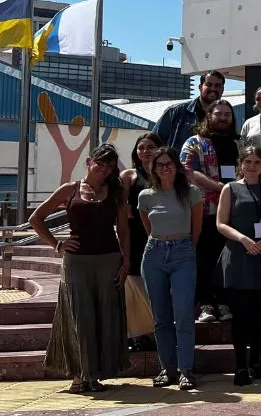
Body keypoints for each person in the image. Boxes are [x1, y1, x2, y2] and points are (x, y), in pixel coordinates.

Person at [30, 145, 130, 393]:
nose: (104, 170)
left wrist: (126, 262)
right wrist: (56, 244)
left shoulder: (116, 192)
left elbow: (124, 231)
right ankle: (79, 374)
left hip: (108, 259)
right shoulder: (70, 190)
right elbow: (36, 218)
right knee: (79, 317)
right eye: (100, 164)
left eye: (109, 166)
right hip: (76, 262)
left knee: (105, 316)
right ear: (88, 162)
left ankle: (95, 376)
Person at [215, 146, 261, 385]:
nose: (252, 166)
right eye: (248, 161)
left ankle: (255, 360)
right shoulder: (230, 188)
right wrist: (244, 239)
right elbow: (221, 223)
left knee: (260, 313)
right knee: (241, 314)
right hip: (239, 254)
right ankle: (240, 365)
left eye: (257, 161)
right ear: (240, 163)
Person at [138, 146, 204, 390]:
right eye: (160, 164)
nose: (165, 168)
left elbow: (196, 229)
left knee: (184, 314)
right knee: (160, 317)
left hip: (183, 252)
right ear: (153, 169)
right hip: (154, 253)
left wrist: (183, 247)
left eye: (169, 163)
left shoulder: (191, 193)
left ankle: (186, 368)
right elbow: (148, 226)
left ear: (176, 166)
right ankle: (167, 368)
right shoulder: (145, 196)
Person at [181, 99, 240, 324]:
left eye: (227, 114)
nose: (223, 118)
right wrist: (221, 187)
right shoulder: (194, 143)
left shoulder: (239, 143)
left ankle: (224, 302)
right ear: (209, 116)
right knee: (203, 259)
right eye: (219, 113)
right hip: (205, 210)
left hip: (234, 212)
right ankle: (206, 304)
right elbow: (188, 172)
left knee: (226, 259)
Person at [120, 133, 163, 299]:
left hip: (163, 231)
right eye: (141, 147)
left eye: (151, 147)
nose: (146, 151)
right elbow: (122, 207)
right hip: (136, 234)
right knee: (137, 277)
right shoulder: (128, 176)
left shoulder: (167, 174)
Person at [154, 70, 226, 151]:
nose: (213, 89)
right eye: (208, 85)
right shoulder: (175, 112)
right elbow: (153, 143)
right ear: (200, 87)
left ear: (222, 89)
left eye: (217, 86)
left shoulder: (226, 117)